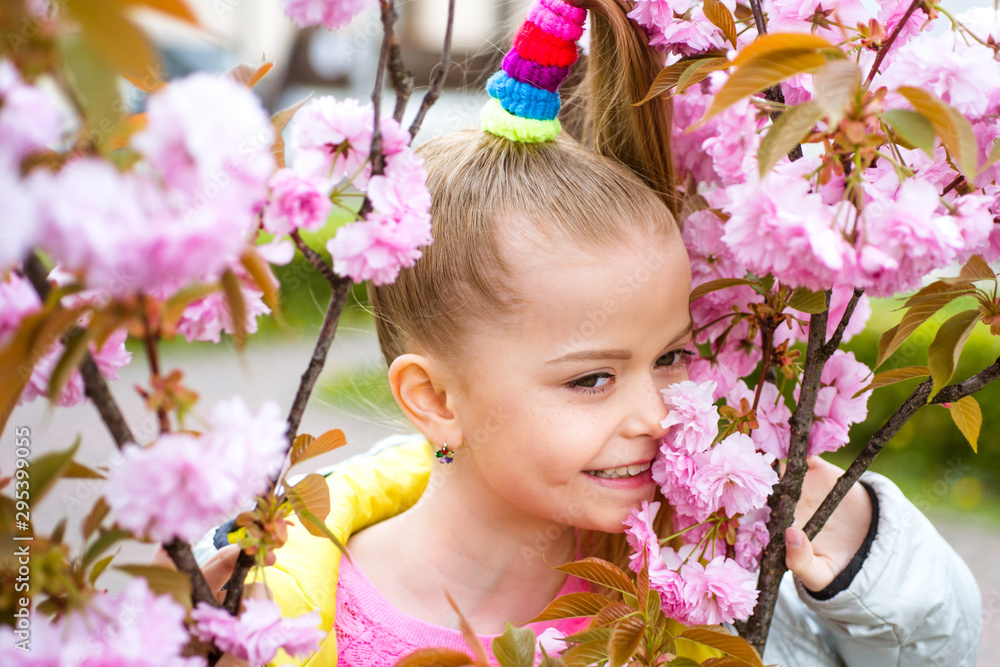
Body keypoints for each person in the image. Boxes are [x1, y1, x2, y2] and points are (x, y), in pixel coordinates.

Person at [200, 0, 981, 664]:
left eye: (672, 355)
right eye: (591, 378)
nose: (655, 413)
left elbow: (940, 645)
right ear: (435, 398)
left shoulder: (696, 575)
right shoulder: (283, 608)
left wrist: (855, 540)